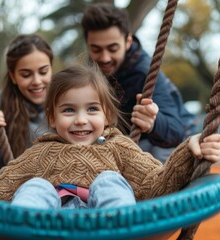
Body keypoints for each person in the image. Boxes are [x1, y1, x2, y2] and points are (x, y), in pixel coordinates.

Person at [0, 64, 220, 210]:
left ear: (107, 116)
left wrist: (189, 152)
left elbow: (157, 183)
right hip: (51, 226)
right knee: (34, 185)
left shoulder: (119, 148)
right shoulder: (40, 154)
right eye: (69, 110)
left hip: (109, 225)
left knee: (111, 181)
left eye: (92, 110)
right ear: (53, 118)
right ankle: (23, 226)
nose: (81, 120)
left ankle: (121, 222)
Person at [81, 3, 196, 163]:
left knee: (154, 159)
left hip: (170, 142)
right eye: (96, 49)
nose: (105, 57)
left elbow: (176, 130)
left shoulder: (145, 73)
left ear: (128, 41)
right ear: (88, 44)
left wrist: (154, 123)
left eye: (113, 48)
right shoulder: (90, 73)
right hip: (124, 140)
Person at [0, 34, 53, 175]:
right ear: (13, 76)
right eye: (26, 75)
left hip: (50, 183)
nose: (37, 81)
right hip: (8, 182)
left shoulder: (63, 103)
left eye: (43, 72)